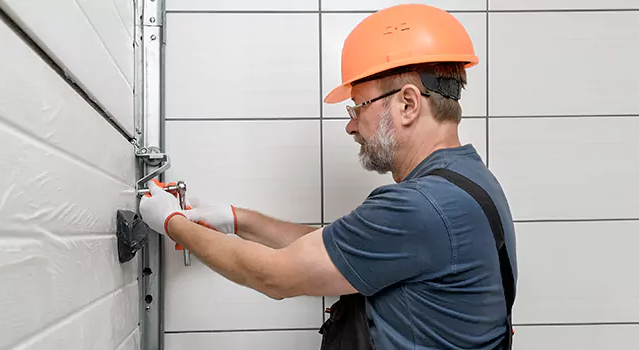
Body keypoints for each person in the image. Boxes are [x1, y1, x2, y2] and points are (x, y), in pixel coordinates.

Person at [139, 3, 518, 349]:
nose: (351, 126)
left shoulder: (420, 206)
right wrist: (238, 220)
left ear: (407, 104)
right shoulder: (468, 180)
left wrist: (172, 223)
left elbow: (274, 277)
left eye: (358, 108)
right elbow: (339, 247)